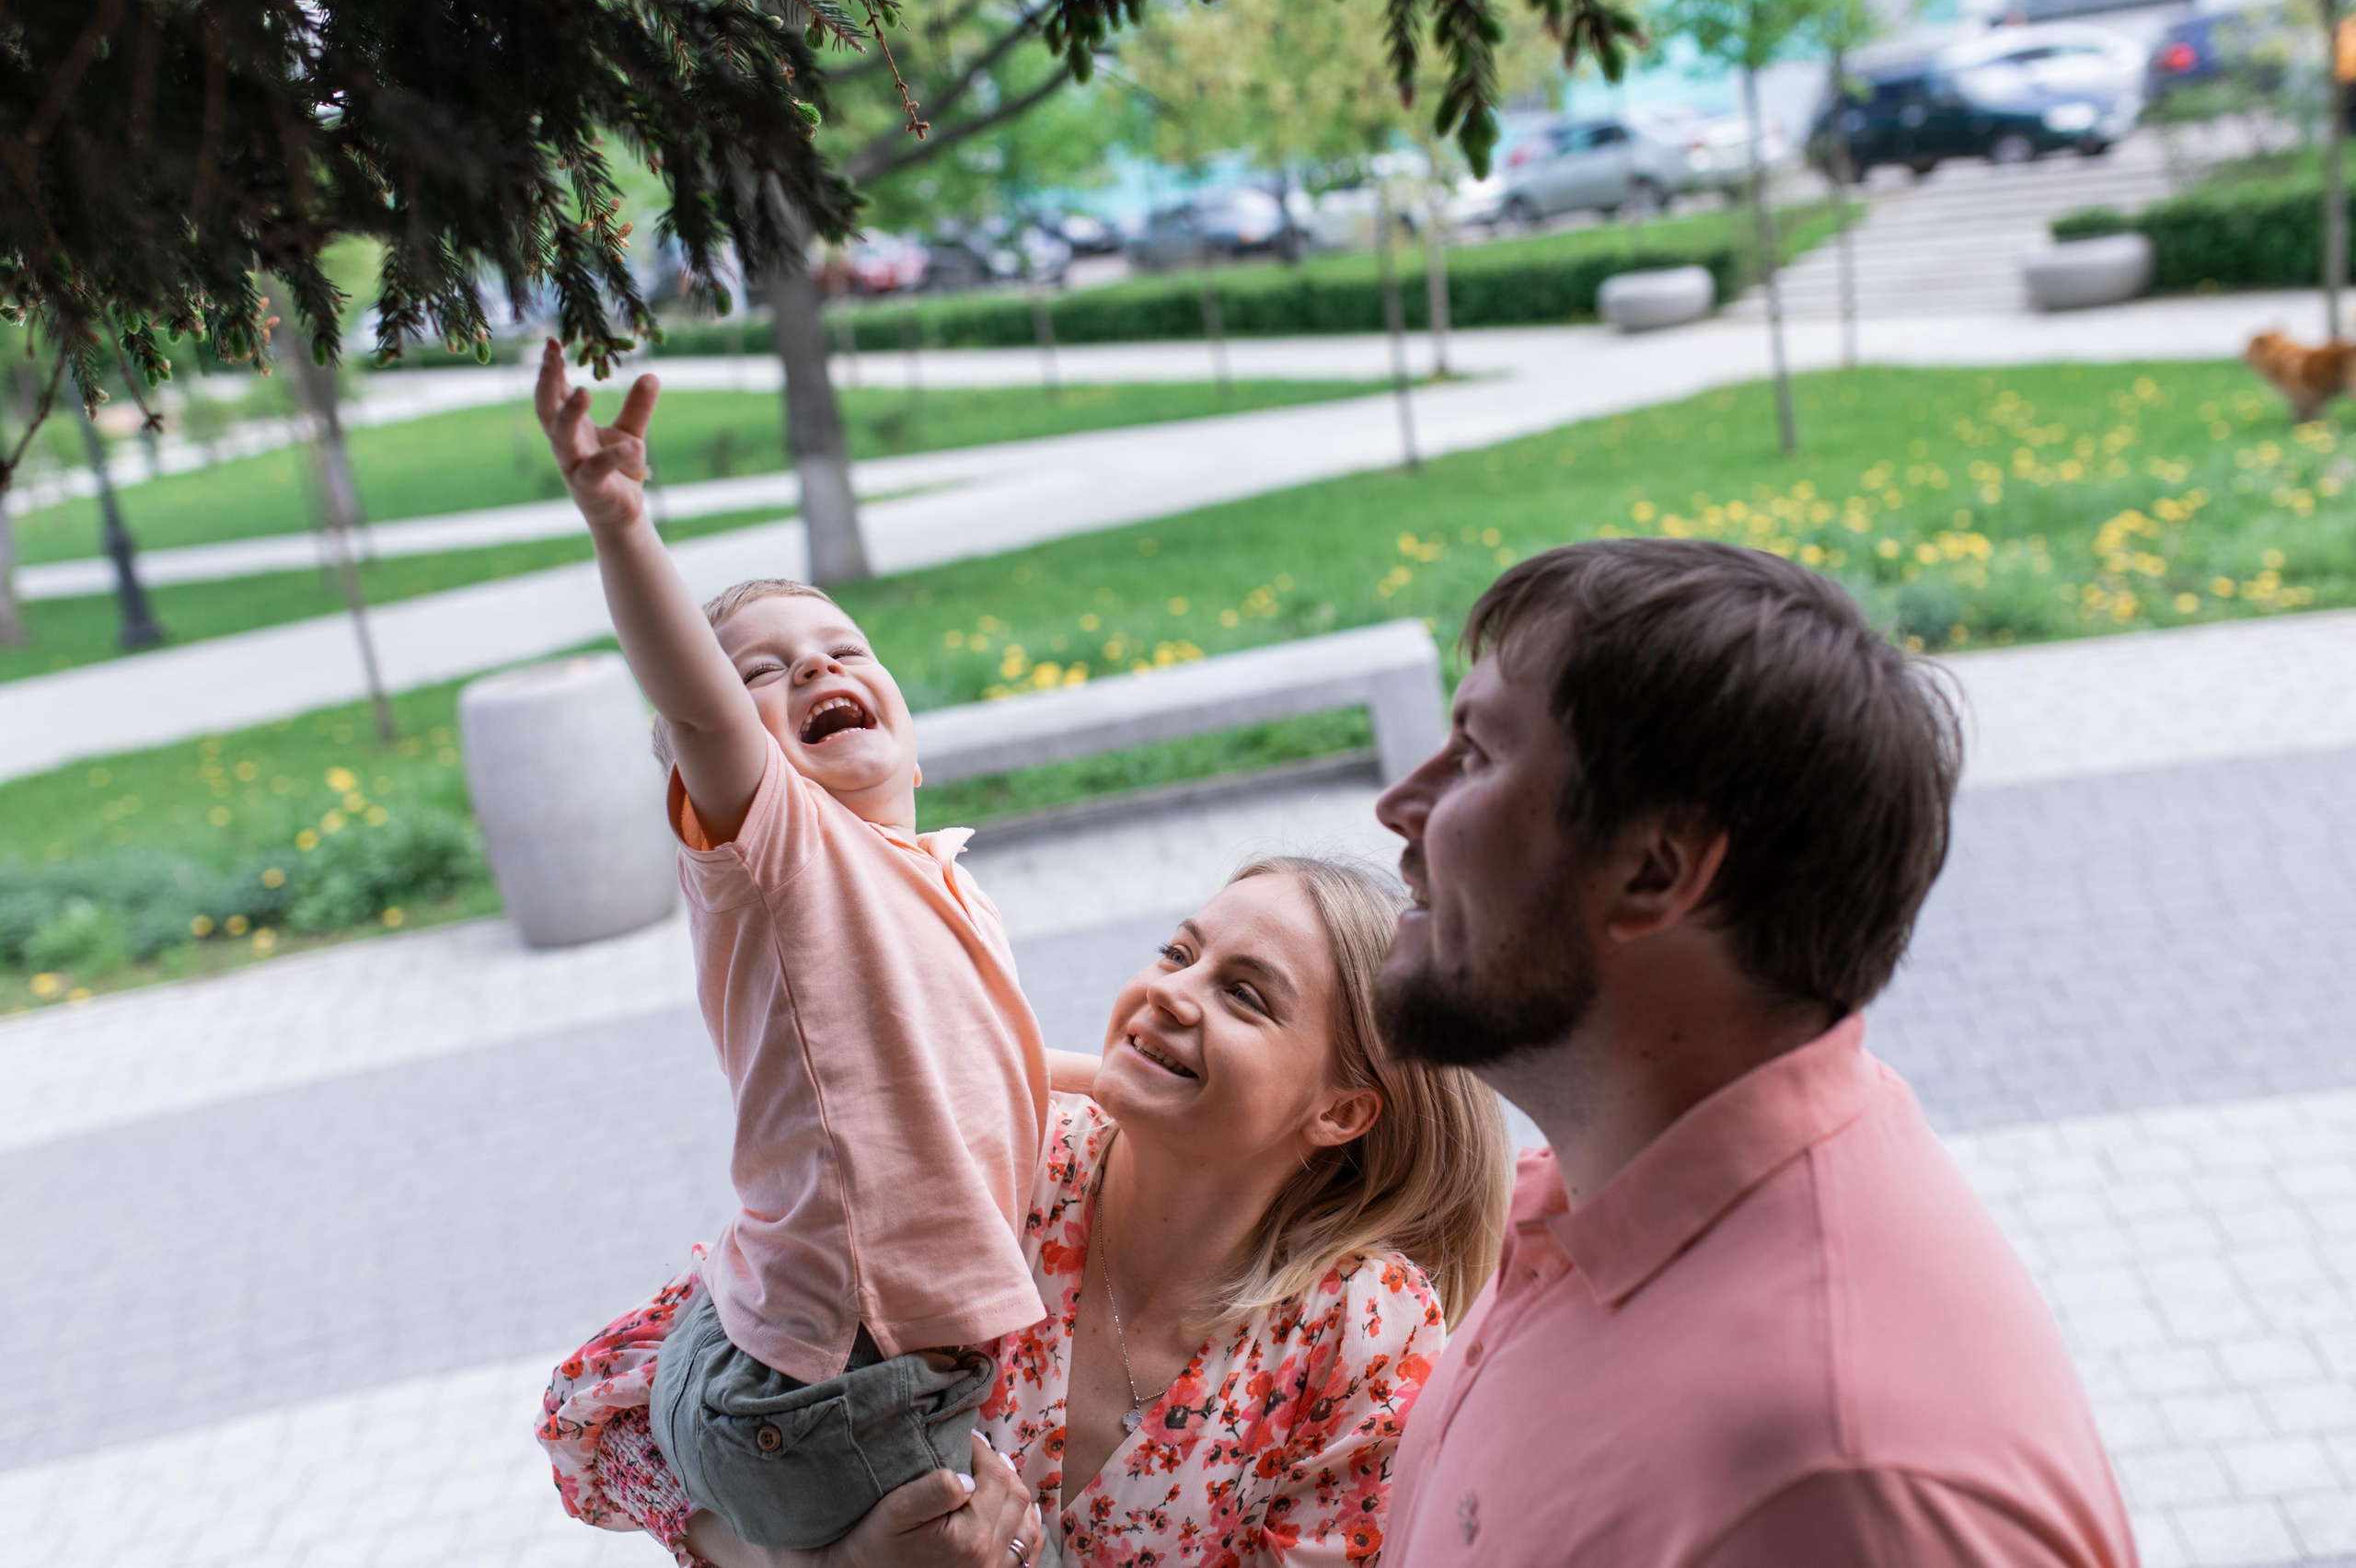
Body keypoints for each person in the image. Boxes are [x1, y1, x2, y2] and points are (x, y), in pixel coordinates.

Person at [1373, 540, 2139, 1566]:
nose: (1400, 806)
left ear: (1656, 870)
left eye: (1473, 755)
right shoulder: (1599, 1193)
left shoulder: (1833, 1478)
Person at [533, 341, 1107, 1551]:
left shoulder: (927, 870)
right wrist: (622, 527)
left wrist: (1107, 1079)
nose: (817, 667)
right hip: (838, 1380)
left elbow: (964, 1053)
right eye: (764, 673)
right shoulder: (787, 852)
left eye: (844, 648)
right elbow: (691, 703)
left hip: (749, 1333)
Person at [540, 857, 1514, 1567]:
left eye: (1244, 996)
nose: (1169, 993)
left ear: (1340, 1109)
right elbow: (606, 1413)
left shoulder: (1362, 1332)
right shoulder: (985, 1163)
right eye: (1176, 953)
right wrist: (825, 1566)